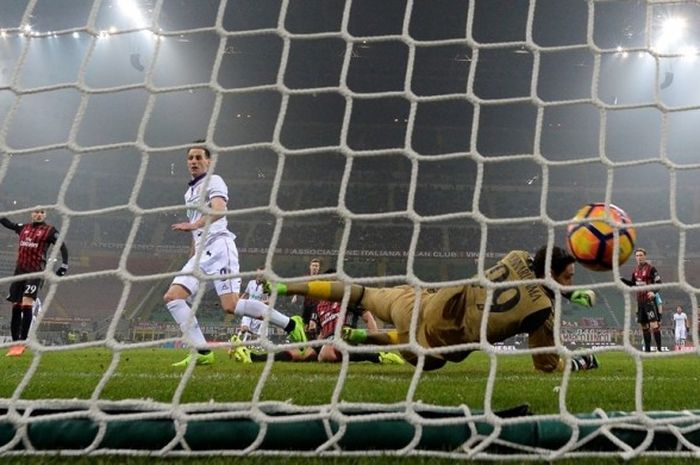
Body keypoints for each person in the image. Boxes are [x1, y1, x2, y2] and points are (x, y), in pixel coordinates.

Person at [268, 246, 598, 373]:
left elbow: (532, 269)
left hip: (419, 299)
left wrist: (566, 292)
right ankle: (365, 338)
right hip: (432, 345)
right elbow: (546, 365)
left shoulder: (516, 255)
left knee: (361, 293)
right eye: (567, 277)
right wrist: (577, 361)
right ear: (551, 276)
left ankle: (286, 285)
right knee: (424, 350)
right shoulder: (541, 312)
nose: (569, 283)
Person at [165, 141, 306, 367]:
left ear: (208, 161)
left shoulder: (214, 180)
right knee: (173, 297)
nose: (194, 161)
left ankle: (291, 324)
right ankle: (202, 352)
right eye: (190, 158)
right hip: (202, 253)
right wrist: (192, 251)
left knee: (231, 306)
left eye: (199, 157)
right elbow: (196, 229)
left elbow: (220, 211)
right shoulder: (189, 191)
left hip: (221, 249)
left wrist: (194, 226)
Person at [0, 208, 68, 356]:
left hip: (35, 272)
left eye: (42, 212)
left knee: (26, 304)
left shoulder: (49, 231)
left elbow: (62, 245)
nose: (39, 214)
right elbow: (7, 223)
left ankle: (22, 342)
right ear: (31, 214)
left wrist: (64, 265)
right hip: (19, 273)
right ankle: (14, 342)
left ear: (45, 215)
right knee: (15, 306)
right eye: (36, 212)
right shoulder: (23, 228)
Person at [622, 248, 662, 352]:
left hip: (649, 301)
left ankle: (659, 349)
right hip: (640, 302)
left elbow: (659, 283)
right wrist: (622, 280)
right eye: (637, 256)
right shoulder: (635, 270)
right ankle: (647, 350)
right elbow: (632, 285)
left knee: (654, 325)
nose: (639, 257)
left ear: (645, 256)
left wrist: (654, 292)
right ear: (635, 258)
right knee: (644, 326)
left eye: (641, 255)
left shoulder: (651, 269)